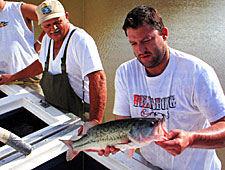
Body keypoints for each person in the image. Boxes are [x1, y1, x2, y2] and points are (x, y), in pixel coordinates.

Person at [98, 6, 225, 170]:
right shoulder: (125, 73)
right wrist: (115, 143)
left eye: (146, 41)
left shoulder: (197, 73)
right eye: (133, 43)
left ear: (164, 34)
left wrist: (191, 139)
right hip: (152, 166)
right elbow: (123, 124)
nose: (140, 50)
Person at [0, 0, 107, 124]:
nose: (53, 28)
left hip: (81, 115)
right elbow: (40, 65)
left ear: (66, 16)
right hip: (57, 114)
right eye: (48, 25)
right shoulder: (47, 39)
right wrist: (12, 77)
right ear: (41, 25)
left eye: (57, 22)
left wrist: (94, 122)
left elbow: (98, 79)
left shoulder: (80, 40)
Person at [0, 0, 44, 74]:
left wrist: (40, 42)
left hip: (28, 77)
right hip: (4, 80)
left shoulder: (20, 9)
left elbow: (52, 17)